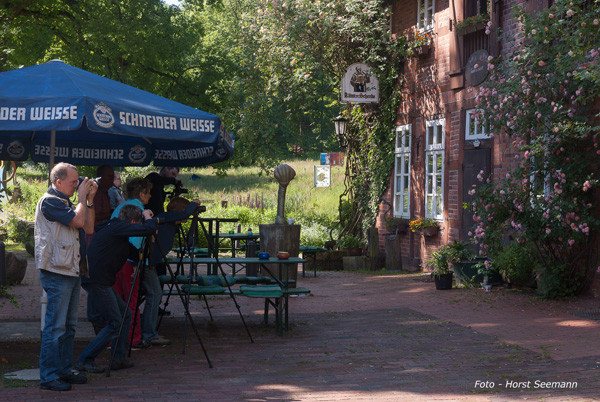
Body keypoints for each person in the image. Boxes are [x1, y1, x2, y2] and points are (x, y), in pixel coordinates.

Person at [35, 162, 97, 391]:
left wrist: (88, 201)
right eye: (73, 182)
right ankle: (49, 376)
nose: (77, 185)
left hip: (70, 269)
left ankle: (63, 370)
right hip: (56, 272)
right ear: (58, 182)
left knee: (69, 326)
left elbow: (89, 228)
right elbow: (78, 221)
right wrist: (82, 198)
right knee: (55, 327)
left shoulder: (66, 203)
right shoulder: (50, 201)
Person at [75, 205, 158, 373]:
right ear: (133, 222)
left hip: (99, 280)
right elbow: (148, 228)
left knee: (125, 314)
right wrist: (148, 217)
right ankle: (85, 359)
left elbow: (137, 254)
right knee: (115, 322)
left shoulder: (115, 230)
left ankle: (118, 358)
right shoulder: (117, 227)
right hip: (97, 280)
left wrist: (150, 241)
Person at [139, 196, 201, 348]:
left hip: (149, 264)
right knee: (154, 295)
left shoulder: (170, 223)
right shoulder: (165, 217)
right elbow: (186, 214)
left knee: (154, 294)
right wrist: (194, 204)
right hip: (145, 263)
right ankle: (148, 334)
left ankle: (147, 332)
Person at [111, 178, 153, 348]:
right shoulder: (140, 210)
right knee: (131, 302)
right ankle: (133, 339)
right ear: (142, 194)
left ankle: (115, 338)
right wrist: (136, 262)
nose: (150, 196)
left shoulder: (120, 207)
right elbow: (135, 239)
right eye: (148, 193)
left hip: (113, 260)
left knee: (116, 302)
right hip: (128, 261)